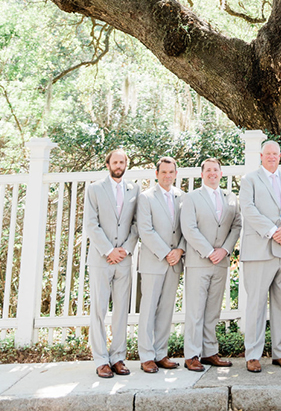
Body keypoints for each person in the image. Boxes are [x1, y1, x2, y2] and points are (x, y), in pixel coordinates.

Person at [239, 140, 281, 373]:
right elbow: (248, 208)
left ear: (280, 156)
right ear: (261, 156)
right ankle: (252, 354)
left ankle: (280, 353)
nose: (272, 157)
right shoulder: (249, 180)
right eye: (268, 153)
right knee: (256, 304)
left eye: (275, 153)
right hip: (259, 250)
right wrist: (274, 231)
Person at [180, 157, 241, 372]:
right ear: (202, 174)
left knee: (213, 310)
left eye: (216, 170)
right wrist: (208, 251)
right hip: (199, 261)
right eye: (208, 170)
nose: (212, 173)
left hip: (221, 261)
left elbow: (236, 225)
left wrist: (224, 250)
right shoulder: (191, 198)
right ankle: (192, 355)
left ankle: (209, 352)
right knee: (195, 310)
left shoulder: (231, 197)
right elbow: (189, 228)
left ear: (221, 173)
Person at [84, 148, 140, 379]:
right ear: (108, 164)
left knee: (120, 311)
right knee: (98, 309)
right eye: (115, 161)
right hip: (101, 259)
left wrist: (125, 250)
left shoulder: (134, 189)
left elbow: (137, 224)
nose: (119, 165)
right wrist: (109, 250)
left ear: (126, 164)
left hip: (124, 260)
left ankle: (117, 357)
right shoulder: (94, 189)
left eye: (122, 161)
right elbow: (91, 223)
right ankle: (100, 360)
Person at [136, 156, 185, 373]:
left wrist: (180, 250)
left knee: (166, 309)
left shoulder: (182, 197)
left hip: (175, 262)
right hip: (154, 261)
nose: (167, 176)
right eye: (163, 172)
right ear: (156, 174)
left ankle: (160, 353)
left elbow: (187, 228)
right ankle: (146, 355)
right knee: (148, 309)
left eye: (171, 172)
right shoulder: (146, 198)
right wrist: (166, 253)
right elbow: (145, 230)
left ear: (176, 174)